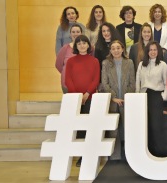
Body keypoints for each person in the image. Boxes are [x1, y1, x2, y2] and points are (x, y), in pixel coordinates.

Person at [65, 35, 100, 167]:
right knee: (78, 127)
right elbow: (68, 80)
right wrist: (77, 96)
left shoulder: (95, 61)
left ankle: (87, 156)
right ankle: (79, 155)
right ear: (76, 46)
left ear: (88, 45)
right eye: (79, 43)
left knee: (88, 127)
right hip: (74, 100)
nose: (82, 45)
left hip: (89, 98)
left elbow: (95, 80)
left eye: (84, 43)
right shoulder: (70, 62)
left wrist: (86, 94)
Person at [101, 40, 135, 161]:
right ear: (110, 51)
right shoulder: (105, 63)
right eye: (113, 48)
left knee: (127, 127)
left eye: (118, 48)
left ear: (122, 49)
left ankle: (128, 155)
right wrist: (114, 97)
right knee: (113, 129)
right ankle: (115, 156)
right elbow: (104, 83)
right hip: (112, 101)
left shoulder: (129, 62)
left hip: (127, 101)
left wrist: (127, 97)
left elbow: (133, 82)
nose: (116, 50)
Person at [136, 41, 167, 157]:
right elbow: (138, 82)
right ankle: (148, 153)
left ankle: (159, 152)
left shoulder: (163, 65)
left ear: (158, 51)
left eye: (155, 50)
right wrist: (137, 97)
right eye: (150, 50)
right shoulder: (141, 65)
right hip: (144, 97)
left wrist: (163, 97)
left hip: (157, 97)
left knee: (156, 125)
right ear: (147, 51)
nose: (153, 52)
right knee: (146, 125)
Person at [56, 24, 83, 94]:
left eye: (78, 32)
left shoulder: (89, 48)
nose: (75, 34)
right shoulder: (65, 48)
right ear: (70, 34)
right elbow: (58, 65)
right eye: (73, 32)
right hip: (67, 84)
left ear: (81, 33)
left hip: (83, 84)